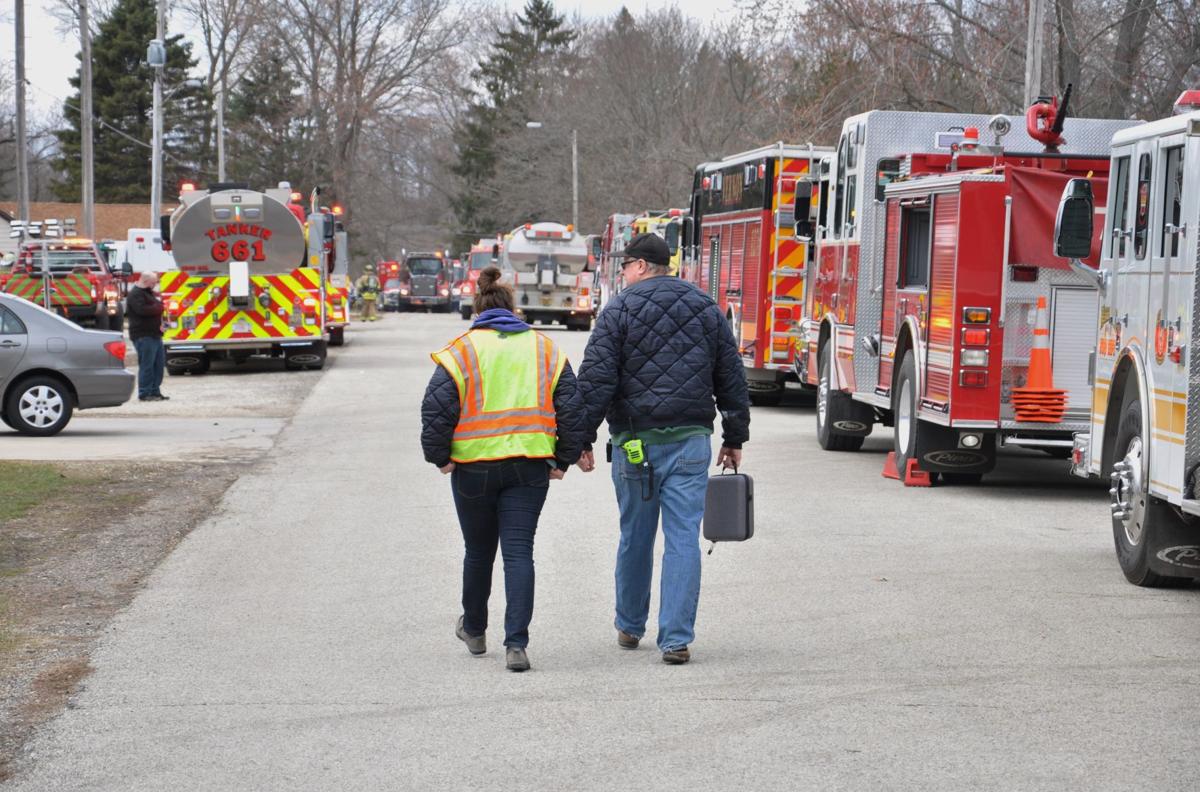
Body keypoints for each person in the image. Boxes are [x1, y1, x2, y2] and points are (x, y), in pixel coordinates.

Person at [576, 233, 749, 665]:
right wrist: (734, 436)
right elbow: (731, 377)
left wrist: (578, 438)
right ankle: (675, 639)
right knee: (682, 538)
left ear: (638, 266)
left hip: (635, 442)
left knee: (635, 534)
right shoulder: (705, 307)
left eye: (624, 266)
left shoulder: (619, 310)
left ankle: (631, 626)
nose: (622, 274)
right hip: (691, 441)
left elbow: (596, 381)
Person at [421, 266, 585, 672]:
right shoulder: (545, 349)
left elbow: (436, 411)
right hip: (528, 467)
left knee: (478, 552)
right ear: (514, 309)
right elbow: (572, 407)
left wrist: (439, 457)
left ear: (479, 307)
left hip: (473, 469)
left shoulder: (460, 350)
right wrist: (563, 458)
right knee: (518, 553)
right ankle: (516, 645)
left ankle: (474, 630)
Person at [126, 271, 168, 402]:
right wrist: (159, 307)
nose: (155, 284)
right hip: (143, 336)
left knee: (158, 365)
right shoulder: (135, 294)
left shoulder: (148, 293)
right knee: (147, 365)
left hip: (155, 334)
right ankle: (144, 393)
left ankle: (155, 391)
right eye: (153, 282)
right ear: (145, 281)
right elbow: (142, 310)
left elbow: (157, 306)